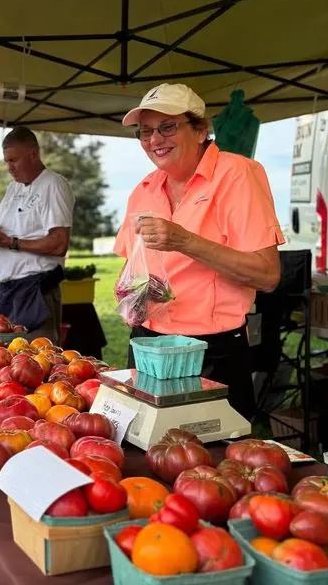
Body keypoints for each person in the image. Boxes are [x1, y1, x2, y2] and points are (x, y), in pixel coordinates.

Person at [114, 83, 284, 420]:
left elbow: (267, 275)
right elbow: (131, 269)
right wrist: (131, 297)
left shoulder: (237, 174)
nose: (155, 139)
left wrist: (184, 241)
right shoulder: (144, 189)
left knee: (213, 450)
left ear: (201, 130)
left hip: (211, 349)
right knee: (144, 445)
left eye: (167, 127)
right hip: (147, 345)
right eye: (145, 131)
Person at [0, 127, 75, 343]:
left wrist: (9, 242)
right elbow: (11, 232)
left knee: (34, 356)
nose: (9, 168)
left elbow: (59, 243)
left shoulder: (53, 185)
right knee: (1, 357)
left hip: (34, 292)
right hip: (6, 291)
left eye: (14, 160)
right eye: (6, 161)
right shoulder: (13, 188)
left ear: (34, 154)